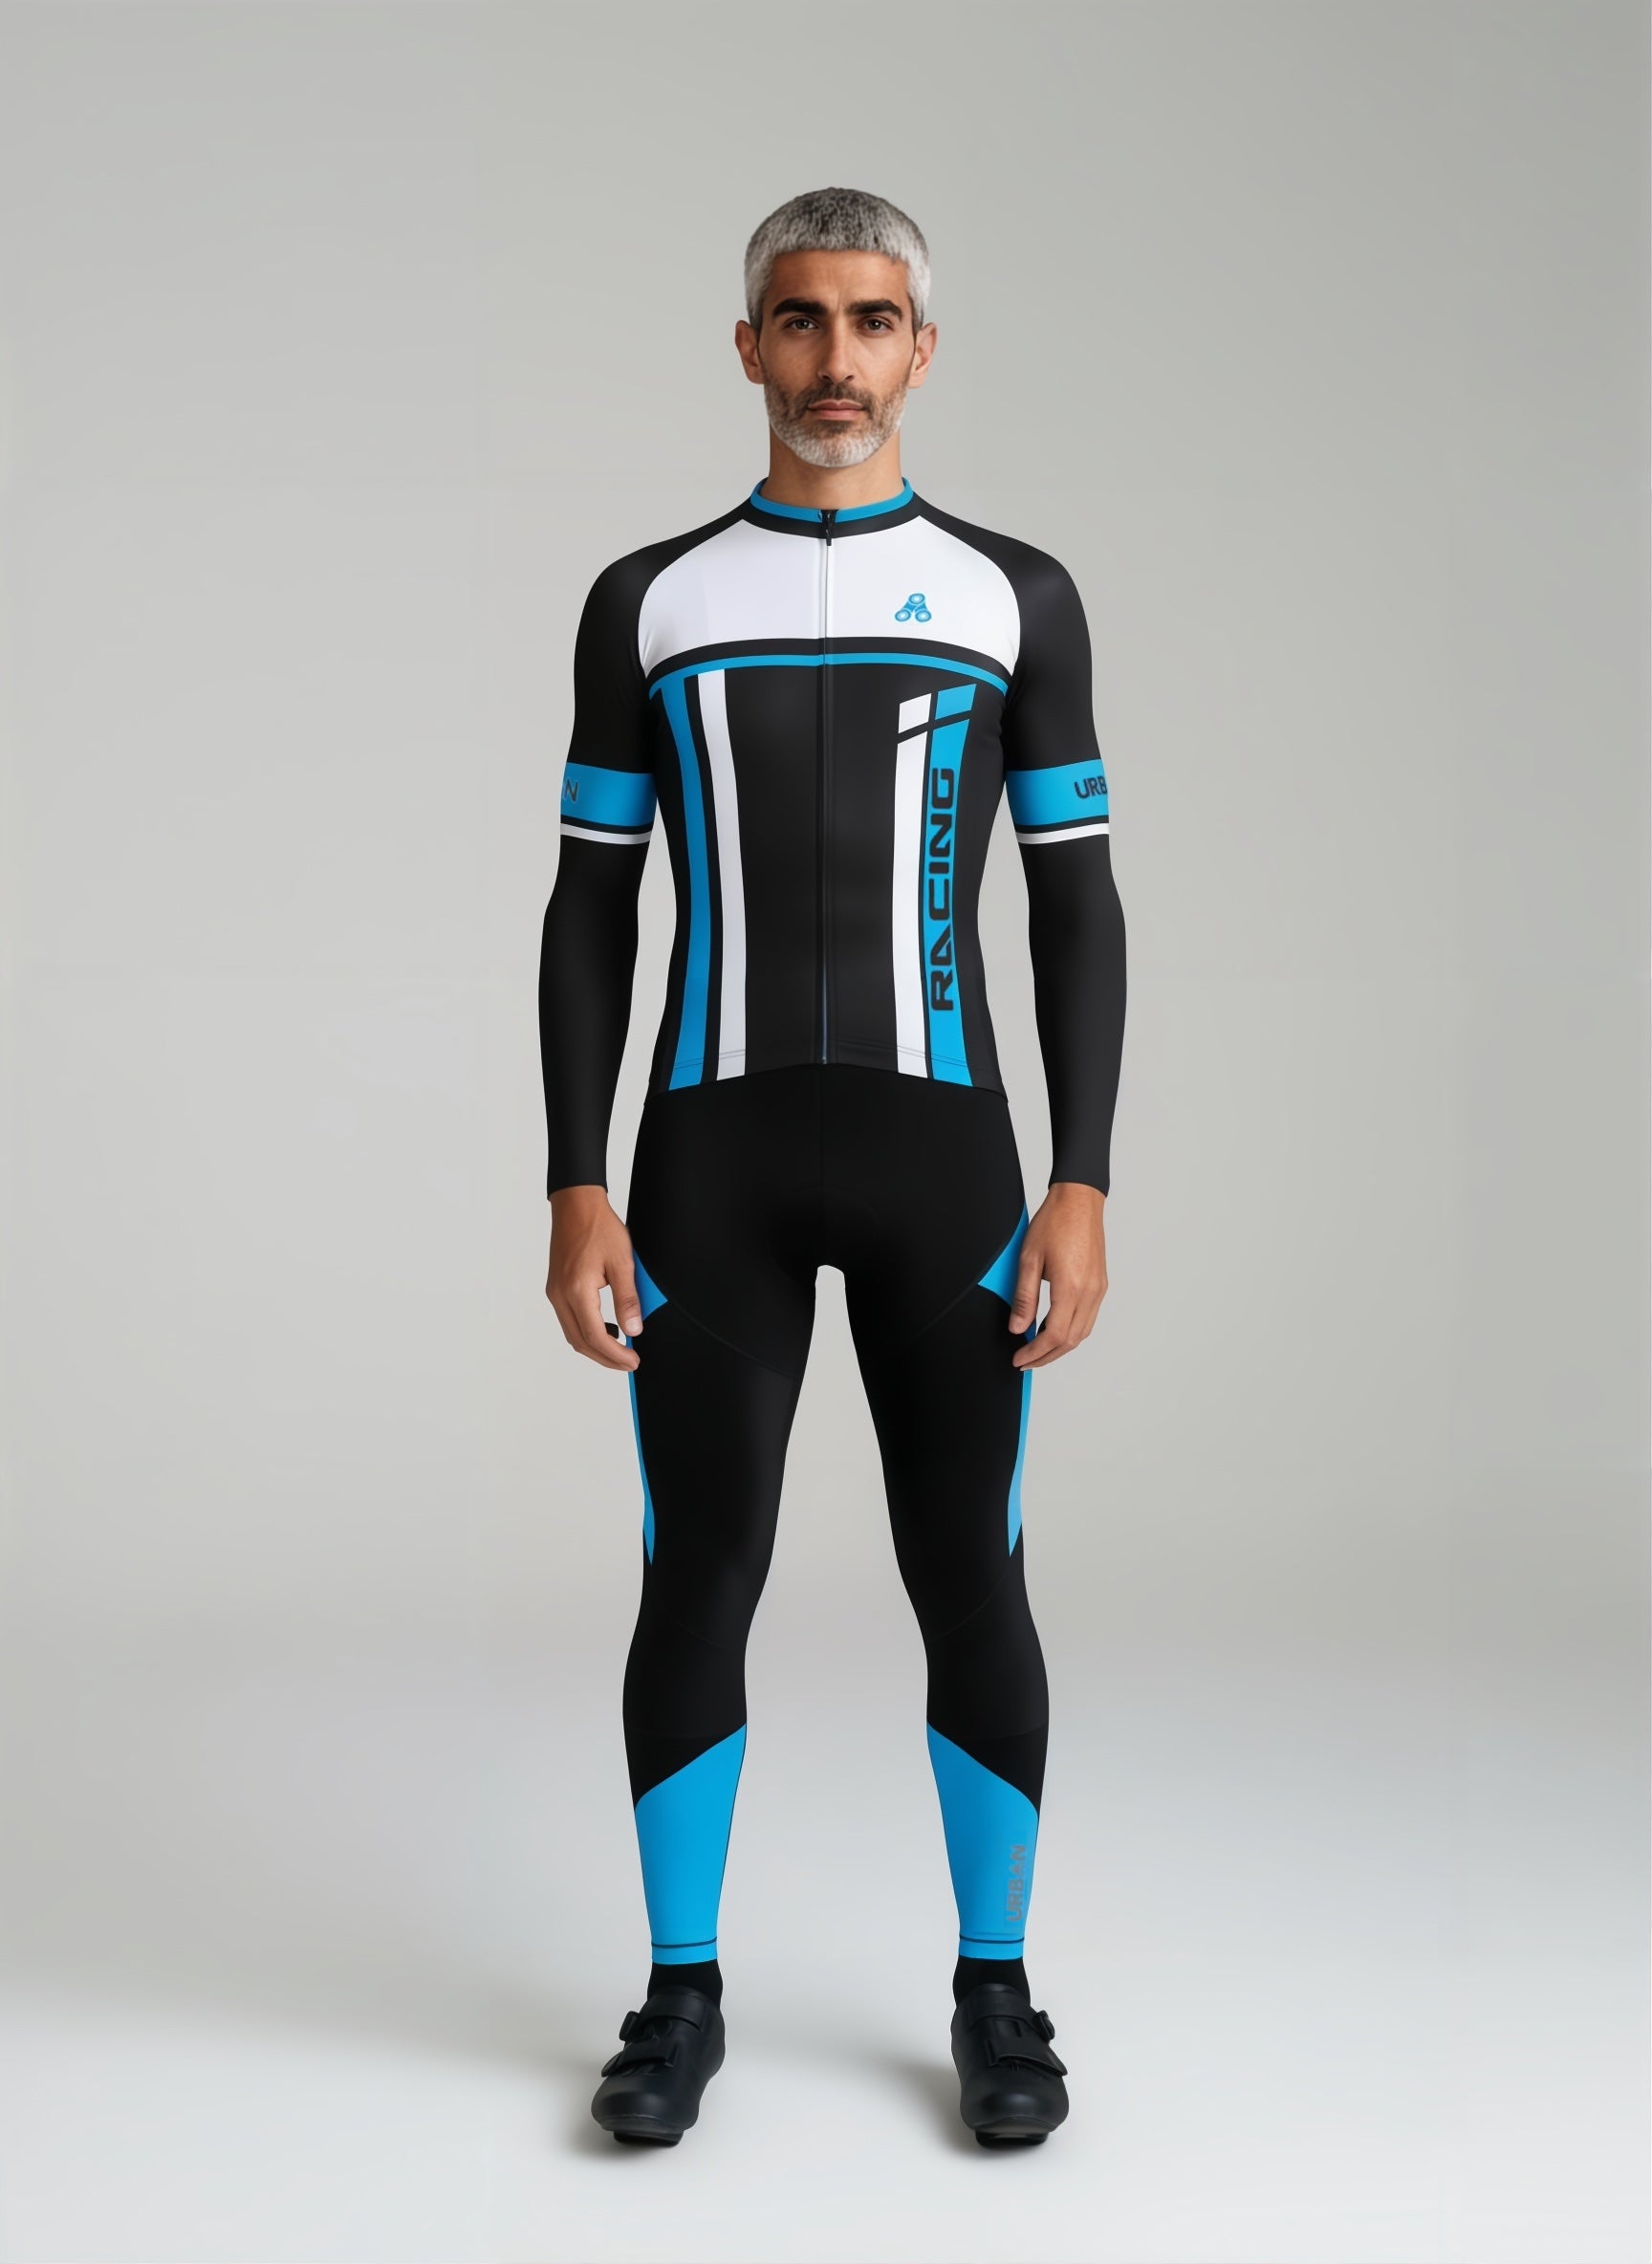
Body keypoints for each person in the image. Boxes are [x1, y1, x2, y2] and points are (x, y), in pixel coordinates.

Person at [538, 185, 1126, 2148]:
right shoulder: (647, 598)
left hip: (945, 1160)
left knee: (972, 1568)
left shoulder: (1015, 595)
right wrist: (575, 1179)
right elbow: (590, 907)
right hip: (701, 1163)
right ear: (748, 349)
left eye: (874, 320)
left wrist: (1084, 1178)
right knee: (698, 1571)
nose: (837, 358)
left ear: (922, 352)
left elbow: (1078, 904)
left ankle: (997, 1990)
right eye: (799, 319)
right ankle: (677, 1995)